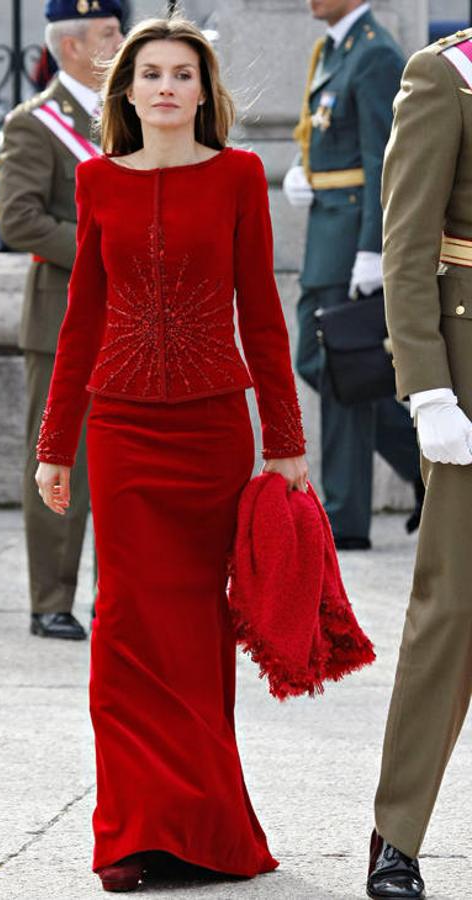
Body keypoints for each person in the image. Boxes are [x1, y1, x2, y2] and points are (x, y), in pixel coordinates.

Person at [35, 14, 308, 893]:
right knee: (121, 629)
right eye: (148, 73)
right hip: (119, 435)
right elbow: (79, 323)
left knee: (196, 632)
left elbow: (262, 315)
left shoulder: (236, 176)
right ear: (125, 91)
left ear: (203, 91)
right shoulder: (95, 181)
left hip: (212, 435)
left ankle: (206, 833)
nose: (163, 87)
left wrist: (286, 442)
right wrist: (56, 446)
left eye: (181, 74)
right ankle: (131, 835)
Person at [367, 26, 472, 900]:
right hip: (470, 371)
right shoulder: (446, 75)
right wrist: (427, 388)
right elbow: (407, 245)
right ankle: (397, 833)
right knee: (453, 610)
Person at [0, 0, 124, 641]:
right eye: (110, 32)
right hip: (61, 320)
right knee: (57, 461)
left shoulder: (132, 114)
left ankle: (117, 596)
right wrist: (107, 245)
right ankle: (51, 598)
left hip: (131, 322)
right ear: (72, 46)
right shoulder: (35, 123)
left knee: (124, 468)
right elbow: (17, 218)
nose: (123, 40)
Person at [283, 0, 423, 550]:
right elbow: (326, 134)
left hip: (350, 245)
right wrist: (304, 170)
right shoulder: (336, 48)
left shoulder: (375, 53)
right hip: (328, 238)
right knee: (324, 364)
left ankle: (344, 516)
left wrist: (375, 249)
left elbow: (385, 161)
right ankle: (423, 465)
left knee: (339, 369)